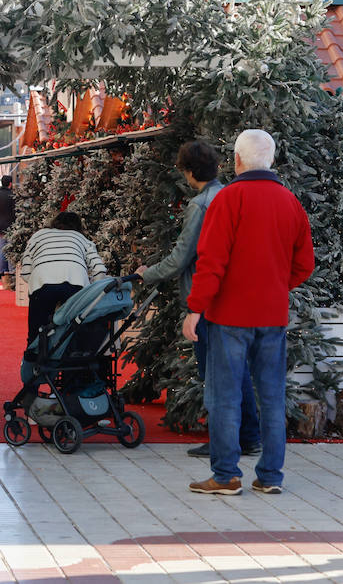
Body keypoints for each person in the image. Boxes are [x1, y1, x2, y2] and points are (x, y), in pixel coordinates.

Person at [182, 129, 312, 498]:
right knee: (271, 395)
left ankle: (225, 476)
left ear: (237, 160)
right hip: (272, 316)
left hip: (228, 317)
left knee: (224, 396)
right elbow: (305, 263)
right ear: (270, 159)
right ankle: (270, 475)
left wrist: (195, 309)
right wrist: (274, 286)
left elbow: (211, 262)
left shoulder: (228, 198)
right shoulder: (290, 202)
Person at [138, 140, 259, 460]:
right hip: (238, 296)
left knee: (215, 374)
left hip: (208, 299)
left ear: (189, 172)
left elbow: (181, 257)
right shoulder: (233, 195)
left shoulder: (202, 205)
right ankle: (249, 436)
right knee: (239, 370)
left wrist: (145, 274)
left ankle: (225, 441)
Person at [18, 210, 109, 344]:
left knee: (36, 333)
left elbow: (25, 272)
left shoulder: (38, 236)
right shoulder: (81, 238)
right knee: (77, 328)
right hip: (76, 283)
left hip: (42, 284)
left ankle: (34, 357)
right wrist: (94, 291)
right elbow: (99, 269)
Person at [0, 174, 16, 277]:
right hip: (11, 225)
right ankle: (11, 271)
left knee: (1, 249)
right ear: (10, 184)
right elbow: (16, 212)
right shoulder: (12, 196)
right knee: (10, 249)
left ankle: (0, 271)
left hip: (0, 225)